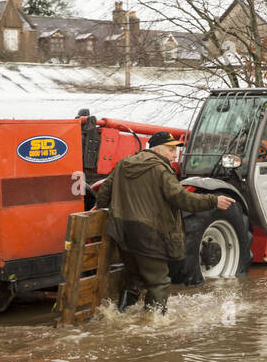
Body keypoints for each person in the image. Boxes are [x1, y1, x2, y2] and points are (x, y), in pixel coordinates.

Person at [95, 130, 234, 312]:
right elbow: (182, 198)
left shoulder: (123, 164)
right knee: (159, 281)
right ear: (158, 150)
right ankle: (154, 323)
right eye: (170, 149)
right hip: (149, 234)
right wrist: (213, 200)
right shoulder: (160, 169)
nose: (174, 154)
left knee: (135, 277)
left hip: (123, 233)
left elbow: (104, 194)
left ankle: (122, 314)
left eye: (175, 150)